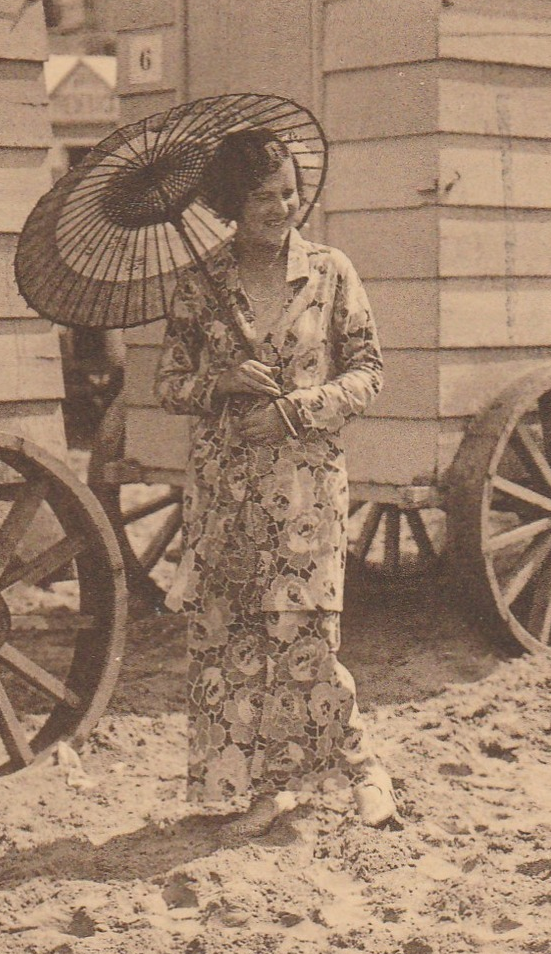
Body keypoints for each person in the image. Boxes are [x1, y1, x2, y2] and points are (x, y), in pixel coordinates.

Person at [154, 128, 396, 831]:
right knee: (233, 641)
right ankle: (270, 788)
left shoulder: (329, 271)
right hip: (224, 491)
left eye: (289, 192)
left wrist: (296, 411)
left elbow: (369, 372)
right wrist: (218, 381)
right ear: (233, 201)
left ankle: (363, 769)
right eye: (263, 196)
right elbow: (167, 383)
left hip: (304, 489)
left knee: (304, 635)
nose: (281, 207)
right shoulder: (200, 283)